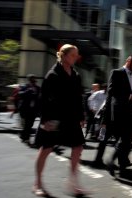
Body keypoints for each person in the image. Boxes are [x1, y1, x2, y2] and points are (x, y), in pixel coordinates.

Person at [33, 44, 87, 197]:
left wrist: (82, 116)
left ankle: (73, 182)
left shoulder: (76, 75)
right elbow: (43, 100)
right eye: (72, 55)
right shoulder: (52, 75)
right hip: (54, 118)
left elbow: (78, 98)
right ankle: (38, 183)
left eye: (77, 55)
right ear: (63, 56)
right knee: (46, 150)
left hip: (71, 118)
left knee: (78, 147)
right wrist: (45, 120)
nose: (75, 58)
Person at [103, 55, 132, 178]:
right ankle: (112, 162)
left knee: (126, 141)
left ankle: (121, 169)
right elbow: (112, 92)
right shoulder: (116, 73)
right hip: (120, 112)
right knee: (125, 140)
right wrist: (129, 97)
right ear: (128, 61)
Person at [18, 74, 41, 143]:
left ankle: (23, 136)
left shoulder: (38, 88)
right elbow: (20, 94)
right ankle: (26, 138)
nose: (33, 81)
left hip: (33, 109)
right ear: (29, 80)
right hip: (26, 109)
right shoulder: (25, 87)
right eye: (31, 80)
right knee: (27, 124)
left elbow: (39, 98)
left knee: (30, 124)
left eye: (34, 80)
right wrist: (28, 91)